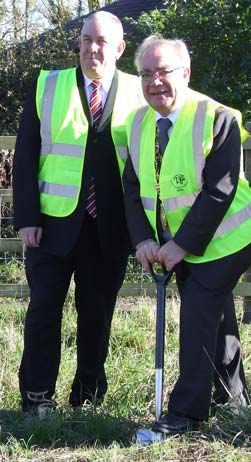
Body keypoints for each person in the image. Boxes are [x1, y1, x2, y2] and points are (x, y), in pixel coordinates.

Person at [123, 36, 251, 435]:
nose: (154, 82)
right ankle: (233, 398)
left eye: (163, 71)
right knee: (216, 316)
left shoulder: (216, 117)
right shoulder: (137, 123)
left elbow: (219, 190)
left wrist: (180, 245)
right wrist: (143, 241)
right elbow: (132, 189)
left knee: (199, 310)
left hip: (230, 238)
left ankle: (184, 415)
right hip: (178, 243)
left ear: (185, 73)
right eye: (146, 73)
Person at [12, 11, 144, 417]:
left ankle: (87, 397)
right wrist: (26, 218)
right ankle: (37, 399)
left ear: (120, 48)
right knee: (43, 314)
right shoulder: (47, 85)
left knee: (97, 316)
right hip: (51, 226)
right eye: (86, 40)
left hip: (109, 229)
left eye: (102, 41)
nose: (92, 48)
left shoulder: (142, 92)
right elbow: (26, 156)